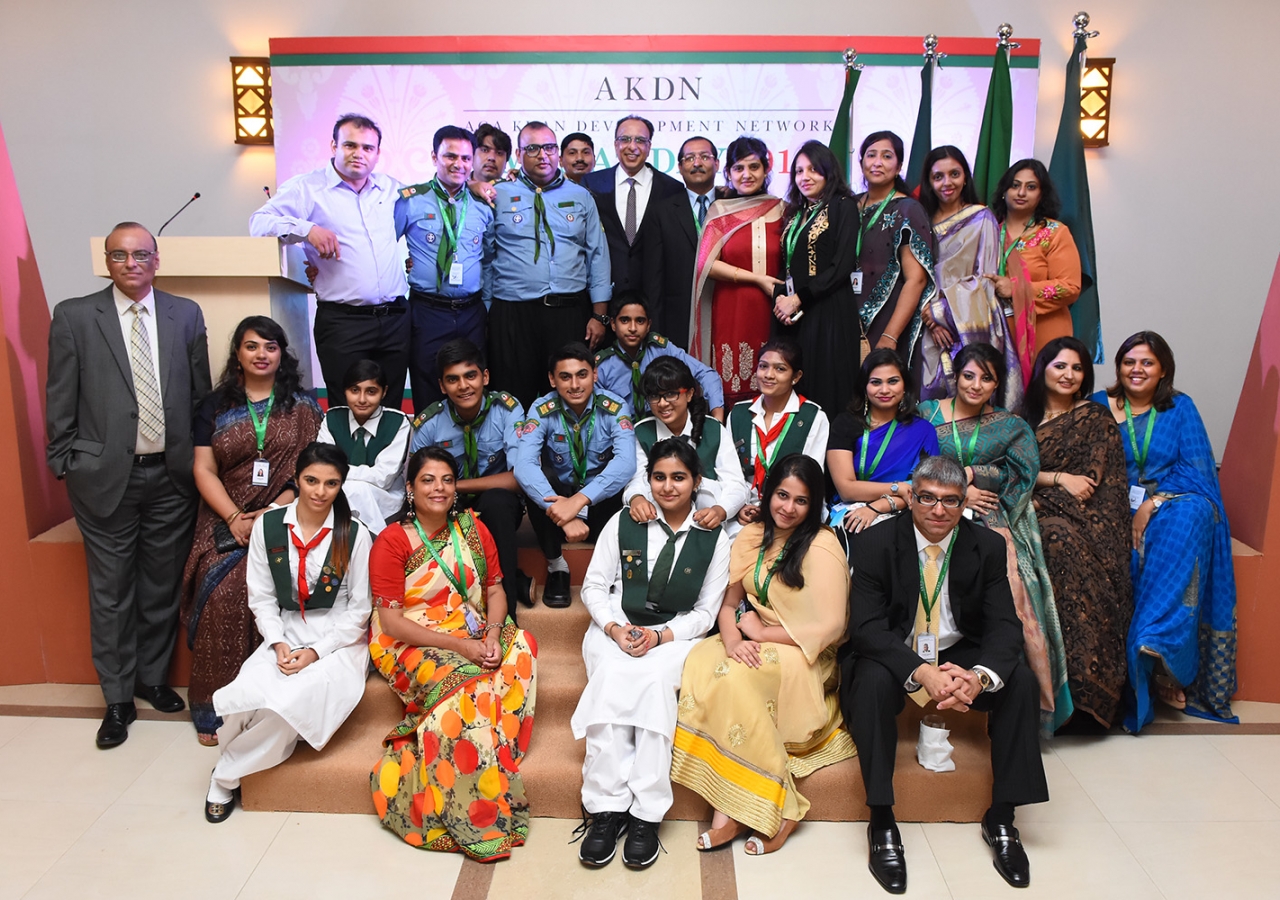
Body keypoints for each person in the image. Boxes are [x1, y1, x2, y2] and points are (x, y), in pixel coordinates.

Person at [841, 454, 1049, 892]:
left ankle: (1003, 817)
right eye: (928, 499)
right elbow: (866, 629)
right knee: (871, 680)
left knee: (1021, 683)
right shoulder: (875, 544)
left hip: (959, 650)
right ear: (911, 498)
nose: (938, 511)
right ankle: (881, 819)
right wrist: (921, 672)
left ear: (963, 504)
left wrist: (980, 676)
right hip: (899, 649)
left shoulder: (987, 546)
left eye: (951, 502)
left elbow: (1003, 626)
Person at [45, 221, 212, 748]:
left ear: (157, 261)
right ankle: (117, 697)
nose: (131, 264)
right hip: (103, 478)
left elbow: (200, 394)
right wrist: (66, 461)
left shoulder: (184, 313)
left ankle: (152, 678)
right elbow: (59, 395)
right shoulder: (75, 316)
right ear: (107, 263)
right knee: (112, 590)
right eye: (119, 256)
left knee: (161, 585)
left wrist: (197, 463)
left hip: (172, 475)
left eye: (141, 255)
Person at [671, 453, 852, 855]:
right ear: (768, 494)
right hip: (752, 639)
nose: (788, 508)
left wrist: (763, 631)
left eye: (801, 500)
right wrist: (734, 639)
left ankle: (763, 811)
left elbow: (830, 627)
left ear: (814, 504)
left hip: (803, 652)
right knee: (703, 663)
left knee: (734, 679)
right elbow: (727, 602)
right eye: (782, 495)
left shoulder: (822, 546)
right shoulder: (753, 535)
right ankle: (741, 809)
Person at [369, 447, 536, 861]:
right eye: (428, 480)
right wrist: (460, 646)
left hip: (470, 628)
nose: (439, 488)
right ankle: (475, 815)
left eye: (446, 480)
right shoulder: (393, 541)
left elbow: (496, 591)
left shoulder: (474, 531)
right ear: (410, 489)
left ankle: (492, 747)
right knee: (465, 684)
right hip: (409, 641)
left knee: (523, 647)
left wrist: (494, 634)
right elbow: (389, 622)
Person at [572, 439, 731, 869]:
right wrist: (615, 628)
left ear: (697, 482)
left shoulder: (713, 537)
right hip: (615, 628)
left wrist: (660, 638)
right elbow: (593, 586)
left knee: (656, 687)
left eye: (679, 477)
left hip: (673, 637)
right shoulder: (624, 522)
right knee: (609, 684)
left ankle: (645, 813)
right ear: (648, 480)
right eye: (658, 477)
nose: (667, 486)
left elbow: (705, 612)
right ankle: (606, 808)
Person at [205, 443, 371, 823]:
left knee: (287, 708)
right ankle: (237, 757)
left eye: (331, 483)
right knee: (245, 697)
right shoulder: (269, 525)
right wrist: (278, 642)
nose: (319, 491)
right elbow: (261, 597)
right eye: (311, 480)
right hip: (285, 629)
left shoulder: (353, 534)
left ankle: (224, 777)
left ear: (341, 485)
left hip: (339, 639)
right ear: (296, 480)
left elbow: (360, 609)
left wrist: (316, 651)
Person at [180, 317, 323, 744]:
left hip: (284, 515)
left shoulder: (301, 405)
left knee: (283, 590)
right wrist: (233, 517)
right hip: (224, 518)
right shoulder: (215, 406)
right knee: (225, 593)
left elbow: (312, 467)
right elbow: (203, 468)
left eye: (271, 346)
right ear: (238, 354)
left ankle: (270, 708)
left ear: (282, 354)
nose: (262, 354)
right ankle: (216, 709)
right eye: (251, 346)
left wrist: (272, 511)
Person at [918, 342, 1072, 733]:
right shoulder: (924, 414)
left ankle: (1016, 701)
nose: (976, 385)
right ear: (956, 375)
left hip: (990, 514)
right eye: (969, 375)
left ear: (997, 384)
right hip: (930, 511)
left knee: (1013, 590)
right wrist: (957, 489)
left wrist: (975, 476)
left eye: (986, 378)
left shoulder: (1011, 425)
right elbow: (913, 465)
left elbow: (1022, 474)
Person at [1091, 331, 1237, 732]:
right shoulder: (1099, 406)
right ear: (1118, 367)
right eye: (1129, 362)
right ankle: (1147, 668)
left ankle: (1158, 645)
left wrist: (1154, 504)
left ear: (1163, 371)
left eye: (1147, 363)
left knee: (1190, 517)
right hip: (1110, 503)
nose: (1136, 370)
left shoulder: (1179, 407)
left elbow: (1197, 468)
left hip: (1170, 500)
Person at [249, 114, 410, 409]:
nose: (358, 154)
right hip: (343, 322)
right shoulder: (307, 188)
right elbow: (259, 223)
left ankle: (391, 458)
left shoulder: (392, 189)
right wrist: (307, 230)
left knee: (391, 406)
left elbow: (431, 208)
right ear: (334, 145)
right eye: (350, 145)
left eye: (367, 148)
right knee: (346, 408)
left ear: (377, 154)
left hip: (395, 319)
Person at [1023, 337, 1132, 729]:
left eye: (1078, 368)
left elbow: (1090, 486)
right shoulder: (1022, 419)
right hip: (1028, 512)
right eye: (1060, 366)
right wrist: (1053, 479)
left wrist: (1042, 497)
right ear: (1043, 370)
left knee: (1059, 542)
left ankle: (1086, 701)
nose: (1069, 375)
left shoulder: (1093, 418)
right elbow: (1010, 474)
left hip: (1085, 522)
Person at [484, 121, 612, 407]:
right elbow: (486, 258)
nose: (543, 155)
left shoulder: (581, 196)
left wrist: (600, 315)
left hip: (568, 314)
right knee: (514, 399)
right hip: (513, 315)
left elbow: (598, 256)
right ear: (519, 154)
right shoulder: (497, 195)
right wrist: (487, 313)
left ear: (558, 153)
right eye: (533, 148)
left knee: (570, 398)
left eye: (550, 147)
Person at [410, 339, 533, 616]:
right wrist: (446, 492)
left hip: (495, 506)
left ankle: (507, 617)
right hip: (446, 505)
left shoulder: (507, 410)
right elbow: (418, 482)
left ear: (485, 376)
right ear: (442, 386)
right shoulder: (429, 423)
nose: (463, 386)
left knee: (499, 503)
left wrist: (454, 486)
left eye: (470, 376)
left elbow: (518, 478)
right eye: (452, 380)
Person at [513, 343, 637, 607]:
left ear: (594, 374)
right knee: (536, 476)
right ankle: (557, 567)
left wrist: (578, 501)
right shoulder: (541, 408)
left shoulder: (615, 407)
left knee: (623, 485)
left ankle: (611, 571)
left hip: (597, 502)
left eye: (582, 374)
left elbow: (626, 463)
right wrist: (564, 512)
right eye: (565, 377)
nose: (575, 384)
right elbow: (523, 465)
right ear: (552, 380)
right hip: (557, 511)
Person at [916, 146, 1026, 408]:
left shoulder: (980, 218)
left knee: (969, 386)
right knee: (927, 399)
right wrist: (929, 319)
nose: (947, 183)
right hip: (923, 324)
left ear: (965, 176)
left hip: (967, 322)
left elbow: (984, 281)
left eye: (954, 174)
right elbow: (913, 276)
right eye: (938, 176)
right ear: (929, 182)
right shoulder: (920, 220)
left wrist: (940, 311)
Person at [395, 125, 494, 414]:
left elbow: (489, 259)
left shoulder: (483, 203)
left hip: (471, 311)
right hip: (428, 311)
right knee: (428, 382)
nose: (458, 164)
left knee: (472, 386)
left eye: (465, 158)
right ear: (434, 157)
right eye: (450, 156)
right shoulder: (410, 200)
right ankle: (430, 453)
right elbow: (382, 247)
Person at [689, 136, 784, 405]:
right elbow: (706, 263)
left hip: (773, 310)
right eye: (739, 168)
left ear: (766, 170)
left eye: (754, 167)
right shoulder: (720, 211)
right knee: (731, 387)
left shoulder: (784, 210)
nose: (747, 175)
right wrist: (757, 279)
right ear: (728, 173)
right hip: (731, 309)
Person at [772, 140, 860, 416]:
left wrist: (799, 299)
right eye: (798, 171)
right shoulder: (796, 213)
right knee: (797, 384)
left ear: (829, 172)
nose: (804, 177)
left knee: (825, 386)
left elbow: (841, 265)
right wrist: (781, 301)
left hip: (829, 311)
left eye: (813, 170)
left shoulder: (843, 206)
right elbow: (785, 266)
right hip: (795, 315)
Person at [826, 348, 940, 556]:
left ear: (905, 385)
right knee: (863, 539)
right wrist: (897, 487)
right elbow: (846, 489)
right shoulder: (845, 423)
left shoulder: (923, 431)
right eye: (876, 382)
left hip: (905, 509)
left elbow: (926, 490)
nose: (884, 389)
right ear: (864, 387)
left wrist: (879, 506)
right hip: (849, 508)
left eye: (893, 381)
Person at [583, 116, 685, 335]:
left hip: (654, 307)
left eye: (640, 140)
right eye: (625, 139)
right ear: (615, 144)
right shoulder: (591, 184)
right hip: (604, 307)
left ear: (649, 147)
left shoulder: (672, 189)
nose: (632, 146)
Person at [624, 357, 749, 530]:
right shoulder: (642, 432)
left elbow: (735, 484)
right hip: (660, 522)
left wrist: (720, 511)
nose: (662, 403)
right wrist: (636, 498)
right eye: (654, 396)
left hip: (710, 522)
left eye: (670, 394)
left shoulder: (713, 429)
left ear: (689, 394)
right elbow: (637, 480)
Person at [851, 131, 937, 366]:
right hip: (845, 316)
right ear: (861, 163)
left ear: (899, 166)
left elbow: (916, 280)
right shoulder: (848, 206)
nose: (877, 162)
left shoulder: (908, 209)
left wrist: (891, 335)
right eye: (871, 155)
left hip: (888, 317)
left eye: (887, 156)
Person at [726, 339, 829, 529]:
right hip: (745, 509)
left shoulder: (813, 417)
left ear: (796, 377)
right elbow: (730, 473)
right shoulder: (738, 414)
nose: (769, 375)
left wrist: (769, 509)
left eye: (780, 369)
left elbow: (810, 478)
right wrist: (738, 507)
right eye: (763, 367)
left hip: (790, 510)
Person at [987, 159, 1082, 355]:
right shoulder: (987, 231)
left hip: (1043, 336)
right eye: (1015, 186)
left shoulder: (1054, 233)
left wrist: (1016, 288)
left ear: (1041, 194)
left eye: (1031, 187)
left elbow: (1070, 287)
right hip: (993, 333)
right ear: (1004, 191)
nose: (1021, 193)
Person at [594, 290, 724, 420]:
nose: (632, 328)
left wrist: (717, 420)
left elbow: (707, 374)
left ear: (648, 325)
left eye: (640, 321)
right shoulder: (602, 366)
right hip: (622, 433)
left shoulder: (661, 349)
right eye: (625, 320)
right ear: (613, 324)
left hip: (664, 427)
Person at [316, 359, 411, 534]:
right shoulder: (332, 419)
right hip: (337, 495)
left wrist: (340, 471)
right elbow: (323, 469)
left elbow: (383, 478)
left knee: (355, 489)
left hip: (385, 502)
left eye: (371, 392)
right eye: (354, 390)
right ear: (345, 391)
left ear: (384, 392)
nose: (362, 399)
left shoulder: (398, 422)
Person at [651, 135, 720, 349]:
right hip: (678, 317)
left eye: (704, 157)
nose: (697, 163)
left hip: (724, 309)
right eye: (689, 158)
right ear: (679, 167)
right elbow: (654, 277)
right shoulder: (661, 211)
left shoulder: (733, 203)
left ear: (717, 164)